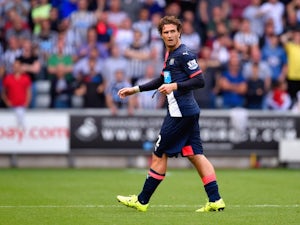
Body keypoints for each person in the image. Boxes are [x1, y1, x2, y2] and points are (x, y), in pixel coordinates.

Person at [116, 16, 225, 212]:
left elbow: (199, 80)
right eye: (165, 32)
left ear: (179, 32)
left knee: (159, 154)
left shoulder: (185, 54)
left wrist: (175, 86)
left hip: (180, 114)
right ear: (161, 35)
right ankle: (215, 200)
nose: (169, 35)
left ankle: (141, 201)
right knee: (196, 155)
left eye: (172, 31)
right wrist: (135, 89)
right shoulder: (170, 54)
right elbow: (161, 79)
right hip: (187, 113)